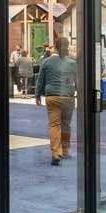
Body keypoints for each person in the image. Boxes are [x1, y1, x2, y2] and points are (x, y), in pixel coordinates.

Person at [36, 36, 77, 166]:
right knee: (66, 124)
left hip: (52, 97)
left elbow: (40, 80)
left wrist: (37, 95)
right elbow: (78, 81)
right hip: (68, 97)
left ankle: (55, 153)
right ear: (68, 46)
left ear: (55, 46)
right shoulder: (72, 63)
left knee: (54, 125)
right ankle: (65, 150)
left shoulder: (46, 62)